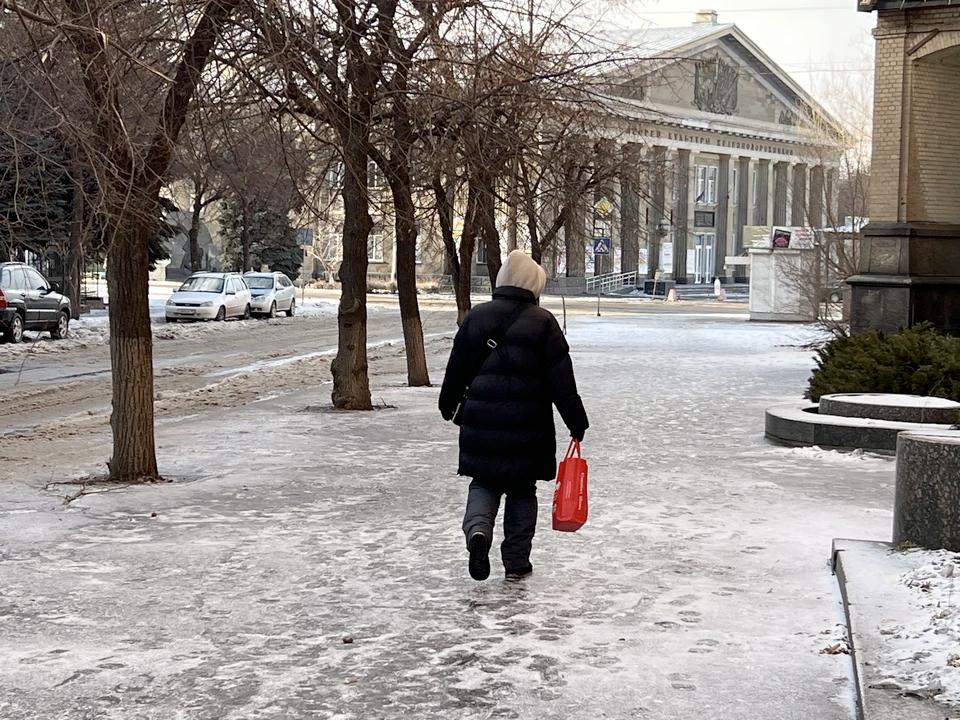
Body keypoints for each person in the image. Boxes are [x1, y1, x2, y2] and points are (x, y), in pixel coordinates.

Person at [439, 250, 589, 582]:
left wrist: (448, 405)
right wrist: (576, 421)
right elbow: (561, 381)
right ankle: (517, 561)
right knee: (522, 490)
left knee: (484, 483)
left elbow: (456, 370)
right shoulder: (544, 322)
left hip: (482, 421)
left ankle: (478, 533)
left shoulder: (476, 317)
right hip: (529, 424)